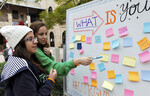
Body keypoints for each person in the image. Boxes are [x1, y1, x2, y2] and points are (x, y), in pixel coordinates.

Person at [0, 25, 57, 96]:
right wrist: (50, 81)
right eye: (30, 39)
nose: (36, 41)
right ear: (20, 43)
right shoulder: (22, 71)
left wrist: (44, 81)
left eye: (34, 38)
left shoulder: (22, 59)